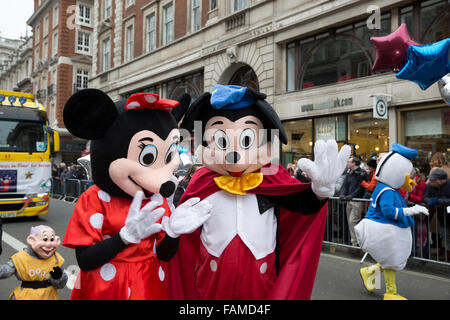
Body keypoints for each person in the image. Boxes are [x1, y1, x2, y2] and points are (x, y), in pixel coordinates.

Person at [355, 144, 429, 300]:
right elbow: (388, 211)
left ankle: (370, 271)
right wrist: (412, 210)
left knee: (392, 259)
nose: (409, 178)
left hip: (388, 229)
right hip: (384, 228)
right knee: (392, 260)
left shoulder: (388, 188)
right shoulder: (387, 191)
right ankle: (391, 293)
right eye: (406, 175)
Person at [0, 225, 68, 300]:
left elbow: (60, 285)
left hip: (48, 296)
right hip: (25, 297)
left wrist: (58, 278)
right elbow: (4, 271)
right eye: (45, 239)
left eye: (51, 240)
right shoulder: (20, 258)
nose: (49, 244)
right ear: (32, 240)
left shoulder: (56, 259)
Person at [339, 155, 367, 246]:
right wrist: (343, 194)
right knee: (350, 221)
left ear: (354, 163)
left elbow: (361, 187)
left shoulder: (361, 173)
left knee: (353, 221)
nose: (347, 163)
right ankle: (354, 242)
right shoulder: (349, 173)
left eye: (349, 162)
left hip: (357, 200)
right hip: (349, 200)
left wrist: (352, 195)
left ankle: (356, 242)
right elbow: (345, 185)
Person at [423, 168, 450, 257]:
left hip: (448, 214)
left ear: (439, 181)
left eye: (432, 180)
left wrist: (438, 201)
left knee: (448, 234)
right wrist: (430, 200)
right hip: (441, 214)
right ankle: (444, 249)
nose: (429, 182)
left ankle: (448, 252)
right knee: (443, 233)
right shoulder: (431, 186)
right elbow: (425, 197)